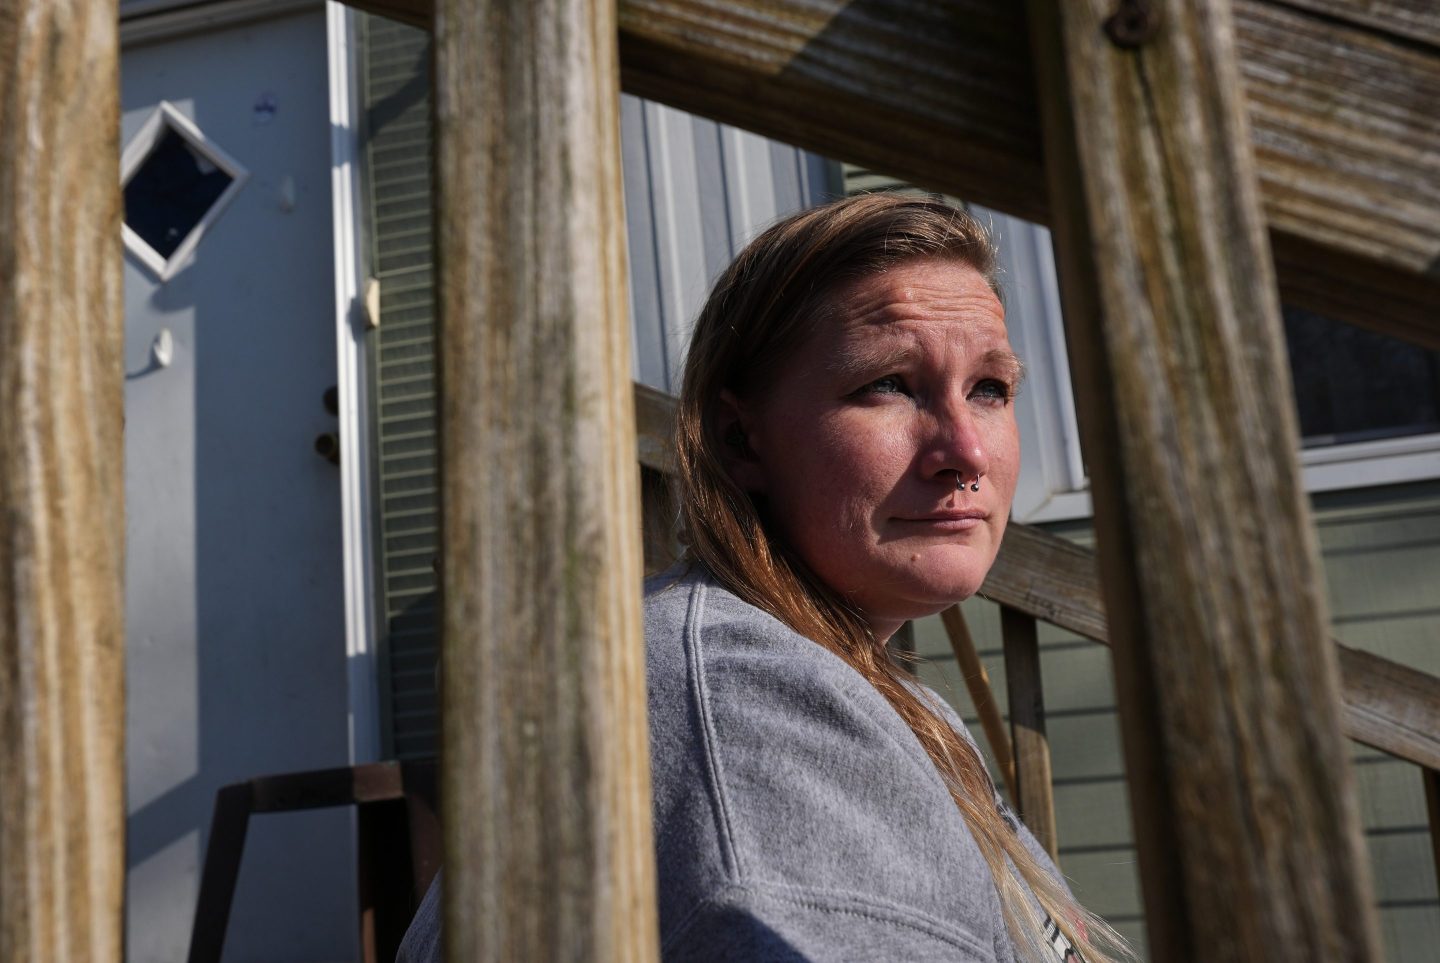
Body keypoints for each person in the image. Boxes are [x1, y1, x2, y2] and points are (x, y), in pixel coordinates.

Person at [398, 193, 1127, 962]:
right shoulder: (754, 707)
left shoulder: (882, 694)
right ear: (741, 439)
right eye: (888, 384)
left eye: (990, 389)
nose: (967, 452)